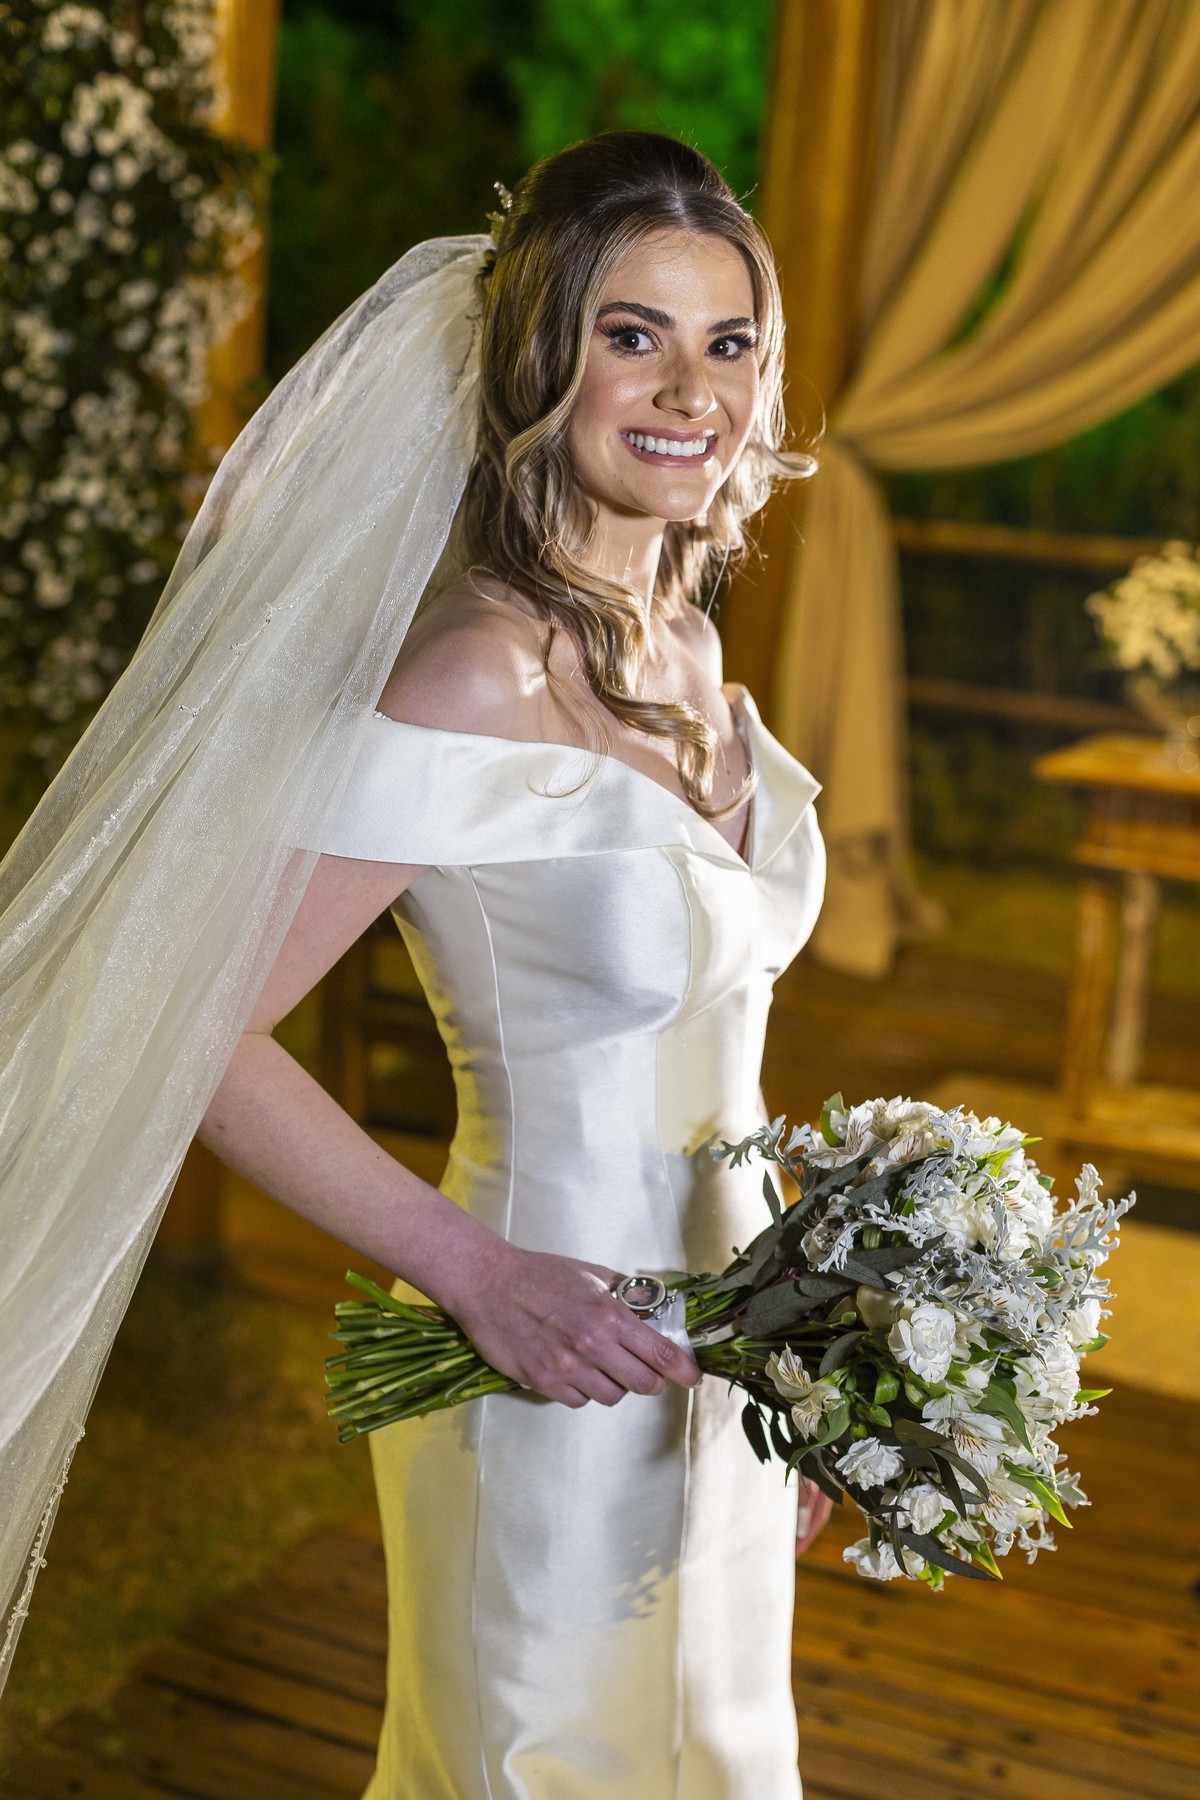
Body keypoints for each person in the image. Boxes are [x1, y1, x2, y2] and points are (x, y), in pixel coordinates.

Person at [0, 131, 828, 1796]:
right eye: (632, 334)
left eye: (729, 342)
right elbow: (195, 1031)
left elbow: (708, 1046)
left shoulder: (692, 645)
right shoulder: (472, 676)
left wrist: (807, 1353)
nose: (693, 390)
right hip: (542, 1360)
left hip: (732, 1360)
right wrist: (480, 1276)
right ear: (542, 360)